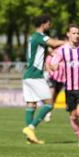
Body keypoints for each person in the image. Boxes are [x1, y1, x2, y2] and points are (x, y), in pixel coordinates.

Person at [22, 14, 67, 144]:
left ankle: (30, 137)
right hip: (35, 76)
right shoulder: (40, 36)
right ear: (44, 23)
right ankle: (31, 128)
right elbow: (54, 43)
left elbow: (45, 51)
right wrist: (69, 42)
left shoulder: (33, 38)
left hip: (27, 75)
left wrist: (49, 64)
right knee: (49, 103)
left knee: (31, 104)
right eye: (49, 23)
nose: (50, 25)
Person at [53, 23, 79, 147]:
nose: (76, 35)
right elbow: (54, 62)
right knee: (73, 116)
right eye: (73, 33)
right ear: (68, 34)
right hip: (69, 88)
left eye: (78, 33)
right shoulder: (62, 50)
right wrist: (54, 66)